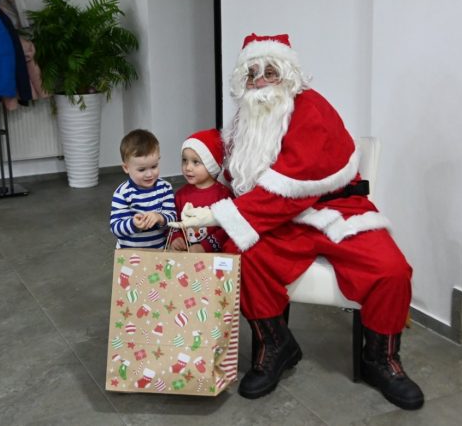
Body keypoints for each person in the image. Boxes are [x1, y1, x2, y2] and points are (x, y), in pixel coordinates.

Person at [171, 34, 424, 409]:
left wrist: (218, 214)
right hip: (283, 219)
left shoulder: (311, 108)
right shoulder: (246, 118)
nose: (260, 81)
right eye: (252, 74)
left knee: (391, 269)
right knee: (241, 255)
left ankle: (380, 359)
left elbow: (290, 187)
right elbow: (231, 164)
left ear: (288, 75)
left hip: (339, 209)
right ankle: (275, 346)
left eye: (270, 72)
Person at [110, 129, 177, 249]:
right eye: (142, 170)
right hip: (130, 253)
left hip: (159, 251)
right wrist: (133, 224)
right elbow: (115, 227)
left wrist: (160, 218)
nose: (149, 174)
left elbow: (173, 218)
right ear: (126, 168)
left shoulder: (165, 188)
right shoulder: (122, 193)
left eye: (154, 166)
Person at [169, 129, 234, 253]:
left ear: (211, 165)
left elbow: (228, 228)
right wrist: (176, 238)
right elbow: (173, 220)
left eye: (196, 162)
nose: (188, 167)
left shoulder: (224, 195)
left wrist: (205, 246)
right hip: (186, 254)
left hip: (213, 256)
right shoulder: (181, 195)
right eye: (184, 160)